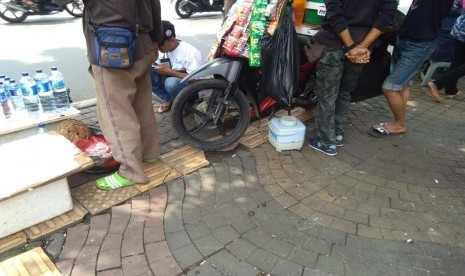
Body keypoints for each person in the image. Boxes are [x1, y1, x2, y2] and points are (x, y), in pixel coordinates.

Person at [67, 0, 163, 190]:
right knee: (141, 105)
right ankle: (149, 154)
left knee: (116, 115)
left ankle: (131, 171)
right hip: (143, 44)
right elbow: (155, 5)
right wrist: (156, 39)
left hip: (112, 50)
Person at [308, 0, 397, 156]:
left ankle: (327, 142)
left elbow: (335, 13)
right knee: (344, 92)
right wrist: (363, 46)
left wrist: (352, 47)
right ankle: (337, 133)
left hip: (334, 45)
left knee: (328, 96)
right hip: (361, 47)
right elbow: (387, 15)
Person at [370, 0, 453, 137]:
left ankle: (400, 124)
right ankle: (399, 120)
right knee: (403, 84)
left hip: (420, 44)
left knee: (390, 88)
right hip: (405, 38)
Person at [150, 21, 203, 114]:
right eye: (157, 44)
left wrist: (170, 72)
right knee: (147, 72)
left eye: (161, 44)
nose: (159, 47)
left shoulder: (189, 52)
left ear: (172, 39)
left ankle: (184, 105)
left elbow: (196, 80)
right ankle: (169, 99)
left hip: (193, 89)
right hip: (173, 83)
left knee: (170, 83)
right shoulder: (163, 51)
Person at [426, 0, 465, 102]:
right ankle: (438, 84)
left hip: (460, 29)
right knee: (459, 61)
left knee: (457, 61)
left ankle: (451, 90)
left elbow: (456, 4)